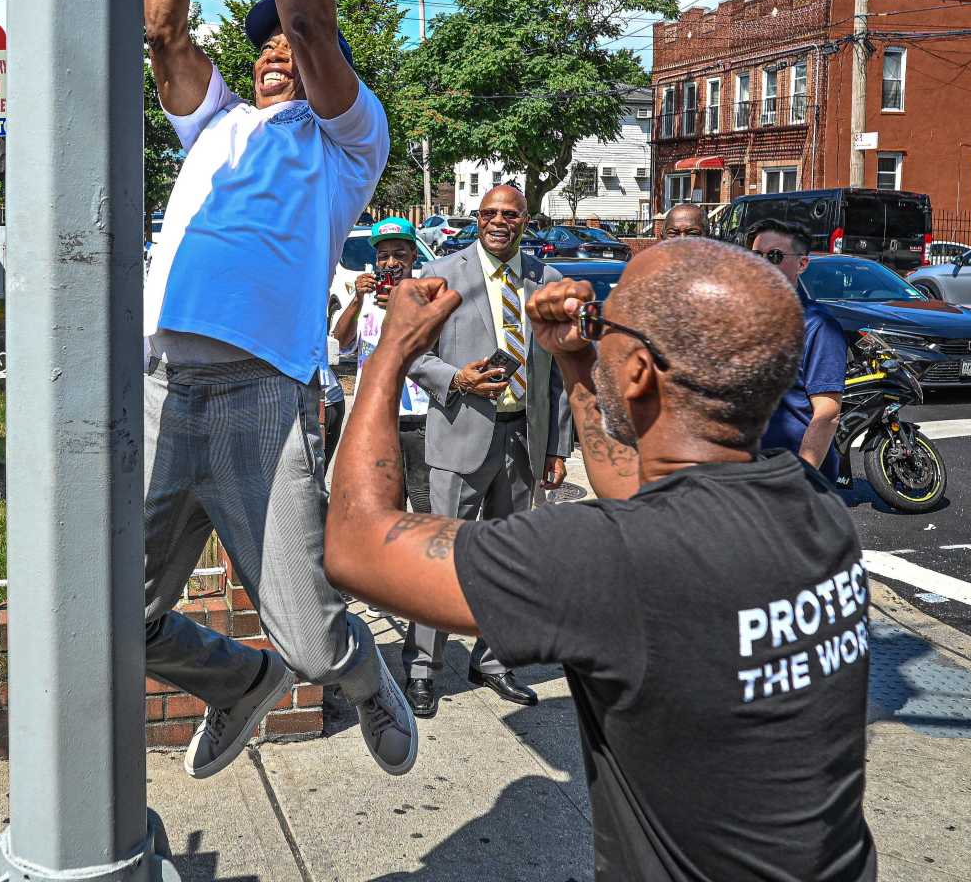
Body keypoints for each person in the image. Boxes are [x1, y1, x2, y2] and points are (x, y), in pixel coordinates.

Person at [325, 238, 876, 882]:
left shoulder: (608, 557)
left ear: (639, 371)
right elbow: (634, 485)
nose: (596, 323)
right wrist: (575, 356)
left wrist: (391, 352)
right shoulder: (813, 511)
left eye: (605, 320)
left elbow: (358, 543)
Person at [140, 0, 416, 783]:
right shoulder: (212, 127)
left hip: (264, 395)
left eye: (287, 49)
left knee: (309, 641)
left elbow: (309, 25)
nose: (273, 55)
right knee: (114, 622)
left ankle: (358, 669)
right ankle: (233, 685)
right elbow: (162, 33)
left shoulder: (347, 142)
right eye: (259, 49)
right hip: (165, 389)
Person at [401, 185, 572, 718]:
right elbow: (411, 353)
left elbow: (559, 373)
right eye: (490, 213)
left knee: (507, 557)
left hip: (523, 437)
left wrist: (556, 445)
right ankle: (423, 666)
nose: (500, 221)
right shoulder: (443, 275)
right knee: (440, 556)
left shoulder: (545, 281)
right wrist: (457, 379)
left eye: (510, 214)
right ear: (477, 218)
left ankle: (493, 659)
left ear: (526, 220)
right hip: (460, 432)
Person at [332, 217, 432, 513]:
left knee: (425, 501)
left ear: (414, 255)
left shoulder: (427, 296)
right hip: (375, 417)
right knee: (384, 503)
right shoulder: (366, 299)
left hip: (419, 418)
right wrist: (356, 300)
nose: (390, 263)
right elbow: (340, 342)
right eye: (383, 256)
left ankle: (421, 560)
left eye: (399, 254)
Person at [750, 219, 847, 480]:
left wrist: (800, 478)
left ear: (802, 264)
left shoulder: (818, 325)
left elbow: (827, 414)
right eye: (756, 255)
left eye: (774, 256)